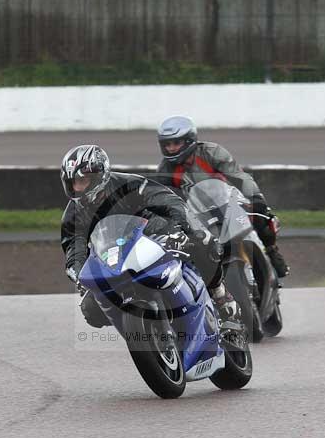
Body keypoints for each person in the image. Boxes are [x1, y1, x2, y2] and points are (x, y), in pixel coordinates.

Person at [59, 144, 238, 328]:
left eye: (83, 181)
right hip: (113, 258)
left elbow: (167, 200)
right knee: (90, 309)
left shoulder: (128, 184)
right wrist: (80, 275)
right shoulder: (73, 215)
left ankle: (219, 292)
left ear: (99, 175)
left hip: (153, 234)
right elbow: (74, 249)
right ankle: (139, 329)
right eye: (74, 183)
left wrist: (183, 228)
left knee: (203, 241)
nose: (78, 187)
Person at [154, 115, 290, 278]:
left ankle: (271, 251)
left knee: (262, 217)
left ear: (190, 140)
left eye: (176, 143)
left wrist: (255, 197)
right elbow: (167, 197)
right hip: (198, 214)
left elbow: (239, 177)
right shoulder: (165, 168)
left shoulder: (212, 152)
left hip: (230, 200)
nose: (171, 148)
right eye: (167, 144)